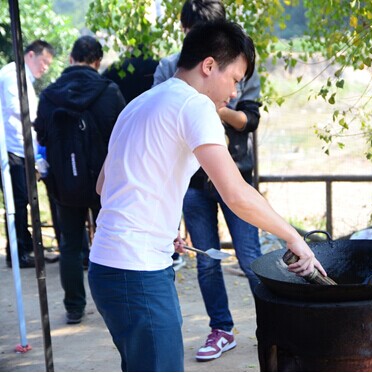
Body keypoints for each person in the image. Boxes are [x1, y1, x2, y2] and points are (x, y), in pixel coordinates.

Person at [88, 21, 326, 372]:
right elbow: (236, 193)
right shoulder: (194, 106)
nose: (234, 93)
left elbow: (104, 185)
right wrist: (294, 236)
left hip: (108, 267)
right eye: (234, 79)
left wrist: (158, 228)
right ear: (209, 65)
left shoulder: (139, 104)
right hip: (137, 272)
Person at [153, 0, 263, 361]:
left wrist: (216, 107)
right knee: (206, 259)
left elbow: (250, 119)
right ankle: (221, 329)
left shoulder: (236, 63)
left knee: (251, 258)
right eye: (188, 32)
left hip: (234, 172)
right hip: (194, 183)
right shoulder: (170, 67)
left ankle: (273, 323)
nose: (234, 87)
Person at [34, 36, 126, 324]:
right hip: (105, 183)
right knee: (111, 240)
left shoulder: (49, 94)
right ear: (97, 62)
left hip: (65, 184)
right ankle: (116, 302)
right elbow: (122, 136)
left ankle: (74, 306)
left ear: (72, 59)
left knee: (70, 244)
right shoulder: (109, 91)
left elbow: (42, 137)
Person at [0, 40, 54, 268]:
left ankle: (25, 246)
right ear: (30, 55)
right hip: (12, 148)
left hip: (22, 148)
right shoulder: (13, 75)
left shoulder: (23, 78)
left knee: (24, 200)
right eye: (43, 61)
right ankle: (18, 252)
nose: (45, 68)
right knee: (18, 201)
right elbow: (18, 114)